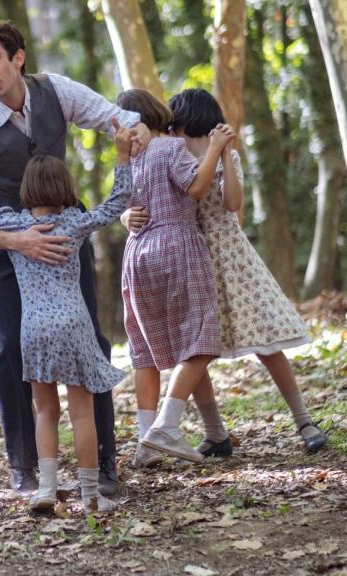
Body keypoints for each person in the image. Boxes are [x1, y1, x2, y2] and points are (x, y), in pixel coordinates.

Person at [0, 21, 150, 493]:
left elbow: (116, 118)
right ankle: (25, 468)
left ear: (17, 57)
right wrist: (21, 241)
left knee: (93, 342)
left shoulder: (55, 91)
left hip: (64, 241)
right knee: (10, 353)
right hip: (7, 246)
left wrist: (136, 131)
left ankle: (104, 466)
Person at [124, 88, 326, 458]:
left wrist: (225, 156)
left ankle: (304, 421)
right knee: (195, 349)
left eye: (178, 122)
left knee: (267, 341)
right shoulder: (172, 152)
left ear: (189, 120)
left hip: (231, 258)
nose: (174, 129)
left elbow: (232, 204)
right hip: (187, 260)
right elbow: (147, 199)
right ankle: (215, 433)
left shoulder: (221, 153)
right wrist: (125, 216)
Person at [0, 122, 132, 513]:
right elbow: (117, 203)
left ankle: (46, 489)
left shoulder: (15, 225)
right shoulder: (75, 223)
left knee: (45, 410)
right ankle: (90, 496)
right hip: (74, 326)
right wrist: (121, 156)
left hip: (33, 329)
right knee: (82, 411)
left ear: (26, 191)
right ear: (65, 187)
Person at [115, 89, 234, 464]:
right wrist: (215, 148)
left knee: (144, 352)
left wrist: (123, 217)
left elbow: (120, 205)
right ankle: (166, 426)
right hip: (176, 244)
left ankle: (144, 444)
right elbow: (196, 187)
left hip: (136, 256)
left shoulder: (128, 160)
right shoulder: (168, 148)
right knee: (200, 340)